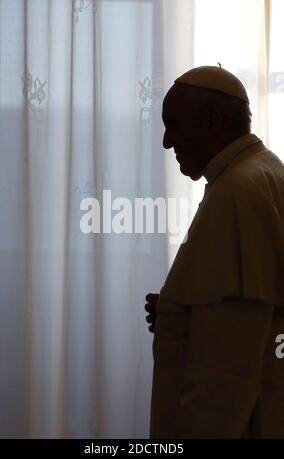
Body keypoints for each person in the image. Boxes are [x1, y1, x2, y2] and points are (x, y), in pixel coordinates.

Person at [145, 65, 284, 439]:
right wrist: (182, 314)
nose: (166, 142)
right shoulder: (264, 171)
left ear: (211, 120)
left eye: (173, 124)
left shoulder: (238, 191)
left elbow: (225, 375)